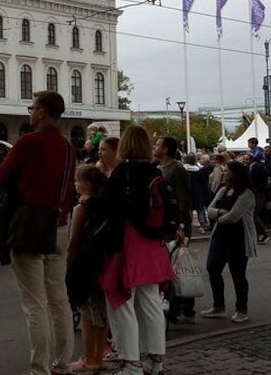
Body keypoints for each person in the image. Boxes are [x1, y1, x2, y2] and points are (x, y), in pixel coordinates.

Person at [0, 91, 76, 375]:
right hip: (60, 225)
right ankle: (63, 362)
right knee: (59, 298)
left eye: (31, 107)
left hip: (31, 227)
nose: (29, 112)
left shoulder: (28, 142)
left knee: (34, 304)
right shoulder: (67, 147)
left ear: (41, 112)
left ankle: (39, 368)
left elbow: (1, 177)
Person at [100, 125, 173, 375]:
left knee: (122, 302)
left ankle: (131, 362)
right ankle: (156, 360)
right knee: (152, 302)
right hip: (153, 244)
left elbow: (107, 209)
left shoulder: (122, 172)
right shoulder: (154, 170)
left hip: (127, 242)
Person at [66, 164, 110, 373]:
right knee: (101, 314)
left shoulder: (81, 208)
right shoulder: (103, 205)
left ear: (87, 184)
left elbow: (73, 241)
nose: (75, 184)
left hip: (84, 265)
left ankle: (89, 358)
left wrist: (67, 266)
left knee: (87, 315)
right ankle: (99, 355)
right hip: (102, 264)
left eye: (77, 180)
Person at [202, 160, 257, 324]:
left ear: (236, 174)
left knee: (238, 274)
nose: (224, 173)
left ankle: (242, 309)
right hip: (220, 236)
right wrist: (219, 212)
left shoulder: (246, 194)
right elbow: (209, 210)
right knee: (212, 268)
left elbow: (234, 216)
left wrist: (219, 216)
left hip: (238, 238)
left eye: (227, 171)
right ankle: (218, 306)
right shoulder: (223, 190)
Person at [154, 136, 194, 325]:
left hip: (176, 225)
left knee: (178, 267)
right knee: (172, 268)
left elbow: (182, 199)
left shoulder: (176, 170)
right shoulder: (159, 168)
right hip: (165, 224)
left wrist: (181, 226)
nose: (154, 147)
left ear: (166, 148)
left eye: (158, 145)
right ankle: (179, 307)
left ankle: (181, 308)